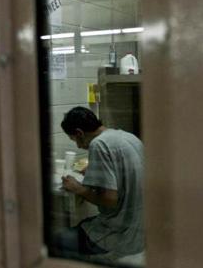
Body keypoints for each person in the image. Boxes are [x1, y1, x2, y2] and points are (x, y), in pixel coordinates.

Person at [55, 106, 144, 259]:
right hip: (141, 228)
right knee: (85, 223)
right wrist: (97, 167)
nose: (78, 146)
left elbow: (109, 200)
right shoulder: (127, 136)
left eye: (74, 139)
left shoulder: (98, 144)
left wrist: (79, 189)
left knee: (55, 240)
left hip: (121, 234)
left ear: (79, 133)